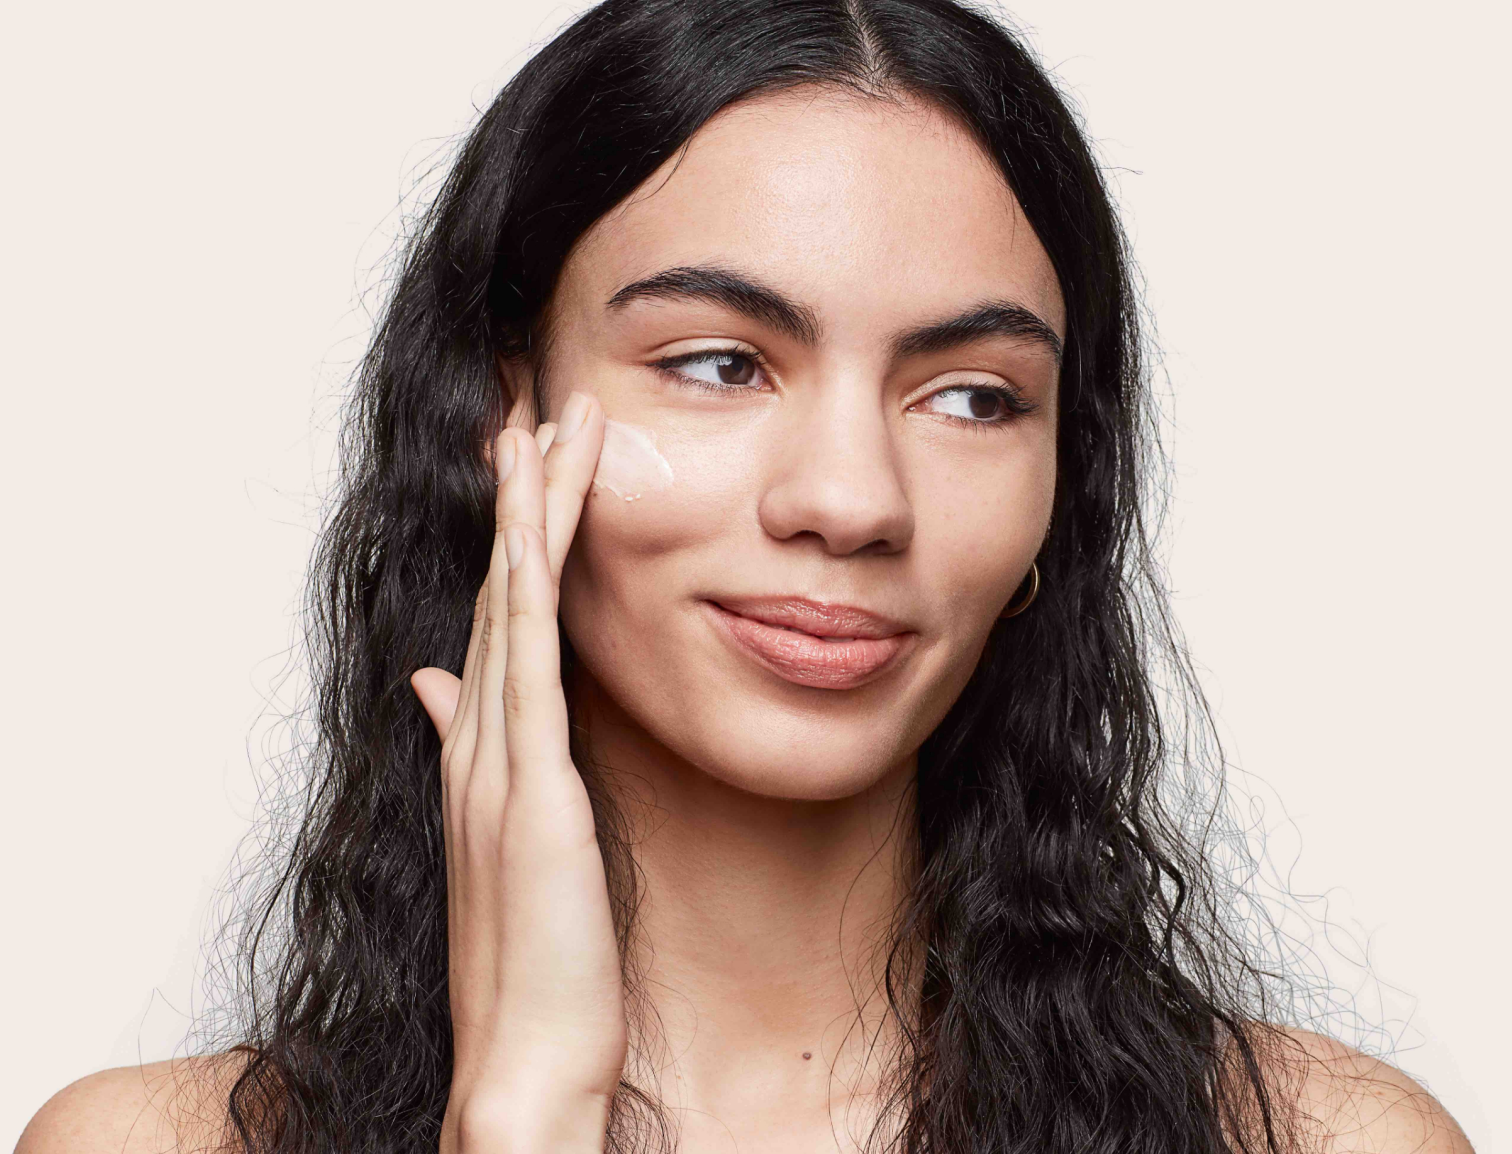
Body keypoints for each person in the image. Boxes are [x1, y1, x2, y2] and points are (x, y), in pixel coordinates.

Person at [18, 0, 1475, 1151]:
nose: (850, 499)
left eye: (972, 395)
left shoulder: (1326, 1139)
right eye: (719, 363)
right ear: (498, 419)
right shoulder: (143, 1143)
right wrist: (519, 1117)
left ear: (1058, 495)